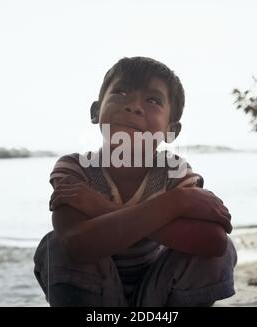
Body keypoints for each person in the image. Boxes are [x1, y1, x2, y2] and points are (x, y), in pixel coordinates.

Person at [34, 56, 237, 307]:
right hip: (97, 300)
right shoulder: (76, 168)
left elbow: (215, 242)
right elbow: (76, 243)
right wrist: (175, 204)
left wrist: (102, 207)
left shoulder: (173, 171)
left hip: (159, 297)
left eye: (152, 100)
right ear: (96, 111)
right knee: (55, 245)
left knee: (218, 251)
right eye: (120, 92)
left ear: (172, 129)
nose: (133, 106)